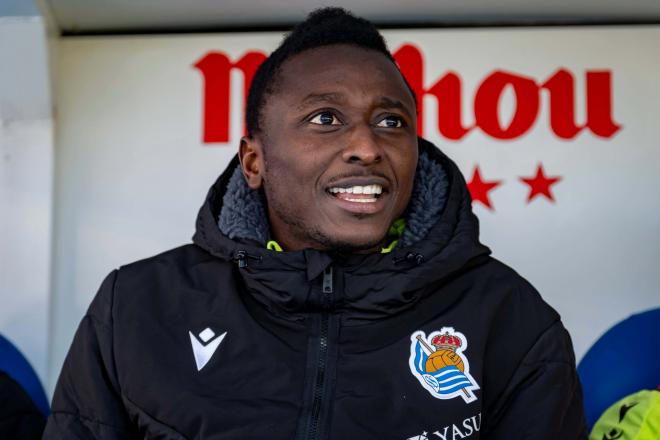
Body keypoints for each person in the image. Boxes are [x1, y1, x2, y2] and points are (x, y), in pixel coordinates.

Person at [44, 7, 587, 439]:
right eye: (325, 118)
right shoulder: (136, 308)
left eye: (391, 121)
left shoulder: (511, 319)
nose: (367, 146)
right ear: (254, 162)